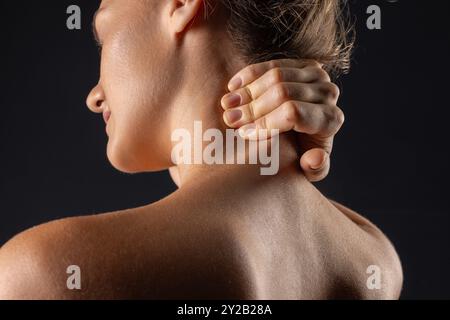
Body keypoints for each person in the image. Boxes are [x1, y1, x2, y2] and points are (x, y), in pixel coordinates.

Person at [0, 0, 402, 299]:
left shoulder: (43, 272)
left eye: (103, 35)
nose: (94, 95)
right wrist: (284, 149)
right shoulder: (373, 260)